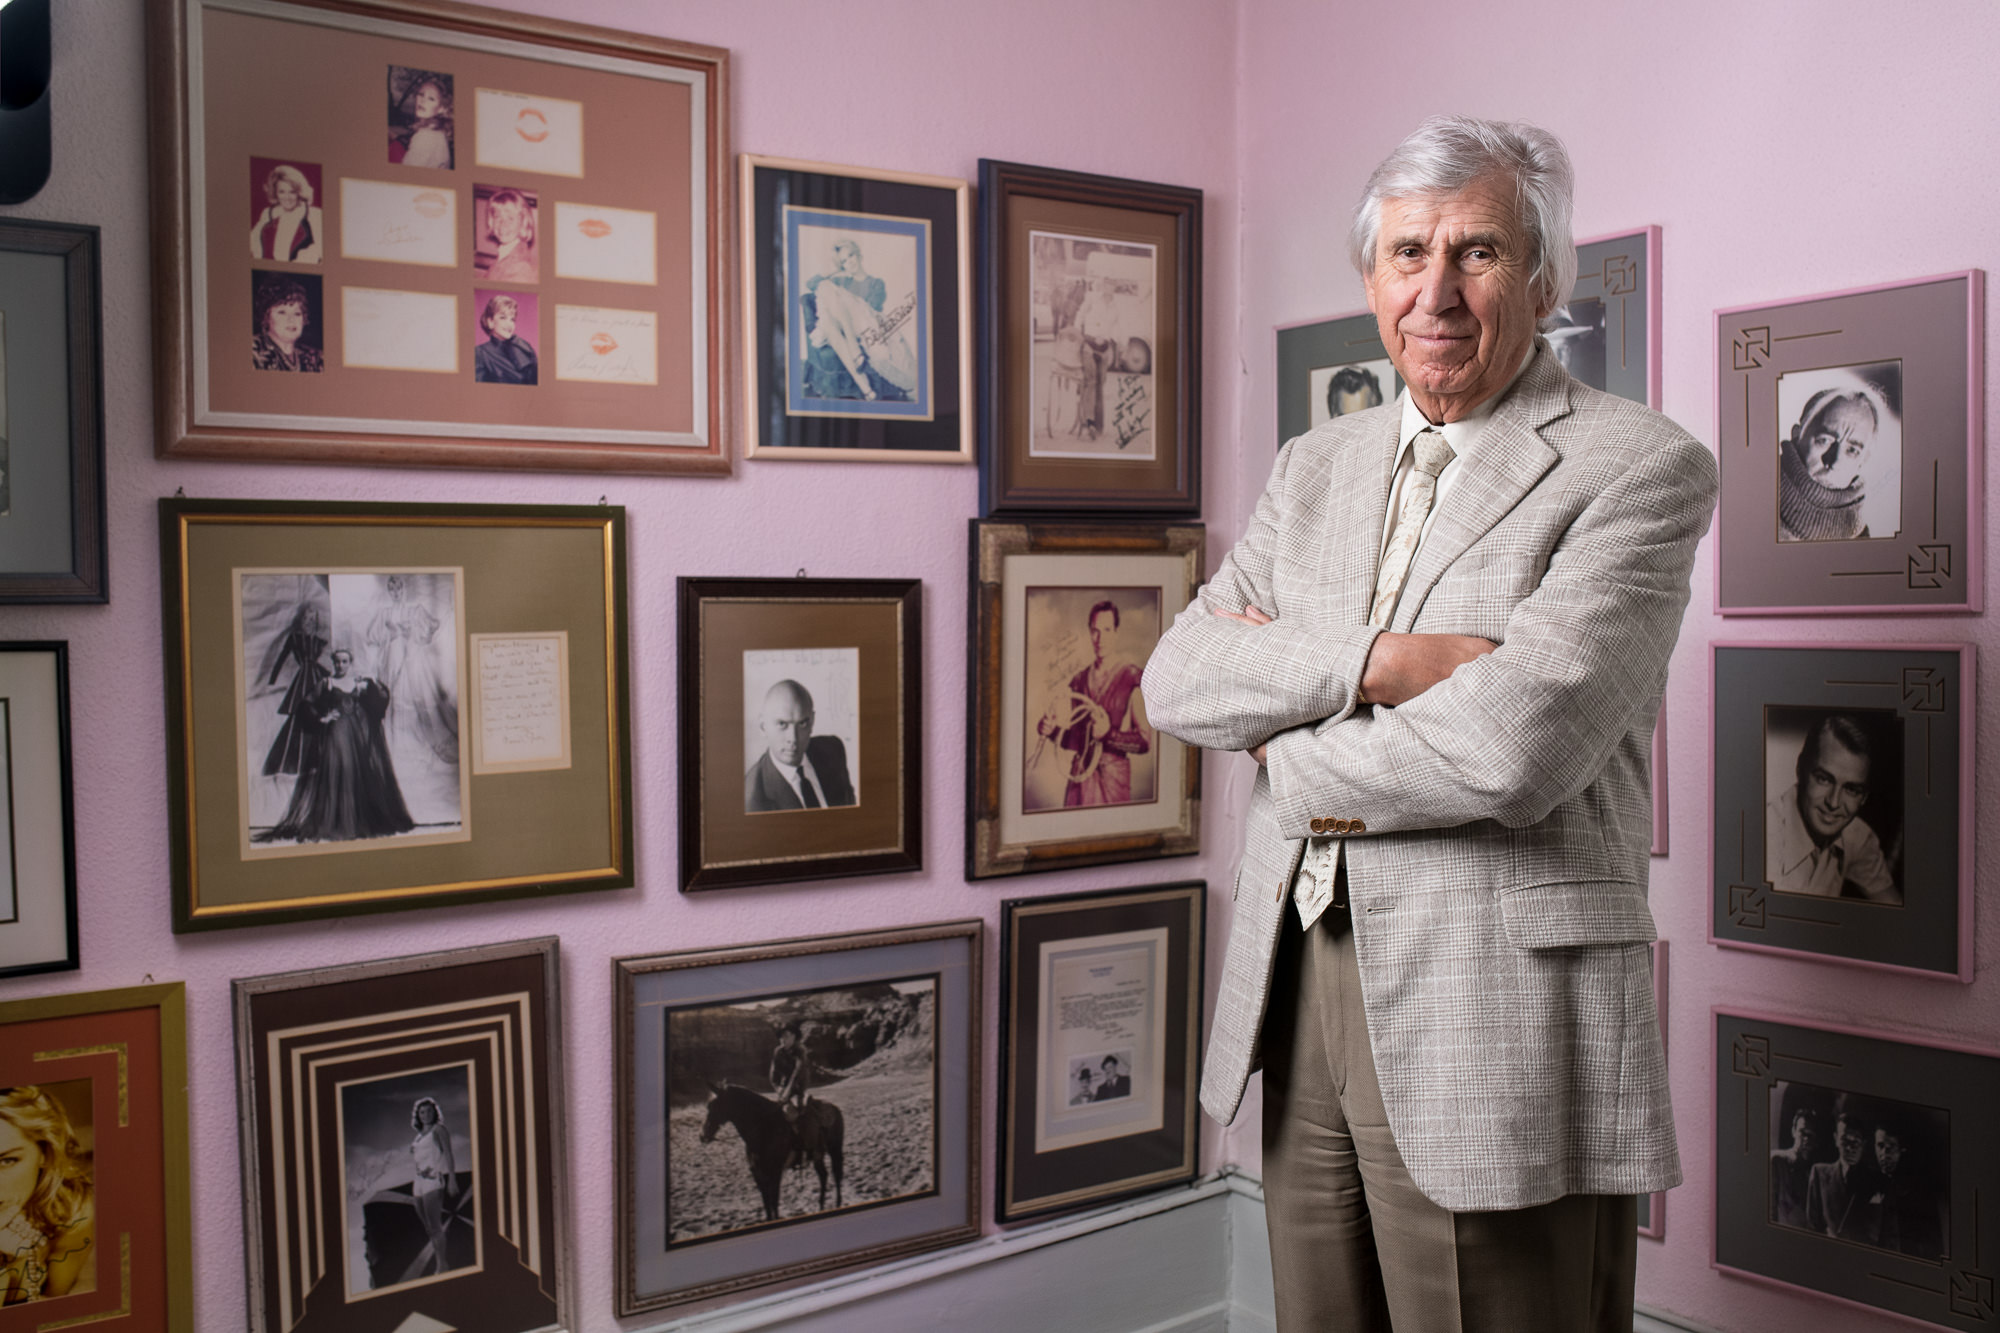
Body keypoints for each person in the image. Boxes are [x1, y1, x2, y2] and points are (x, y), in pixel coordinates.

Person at [1141, 116, 1716, 1332]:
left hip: (1495, 999)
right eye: (1407, 253)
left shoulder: (1636, 466)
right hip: (1297, 983)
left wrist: (1287, 746)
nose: (1435, 292)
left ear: (1545, 279)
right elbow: (1180, 677)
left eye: (1478, 252)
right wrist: (1389, 661)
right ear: (1370, 279)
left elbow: (1512, 749)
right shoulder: (1316, 467)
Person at [254, 649, 415, 844]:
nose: (341, 665)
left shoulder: (357, 682)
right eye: (337, 662)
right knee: (338, 770)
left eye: (345, 661)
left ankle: (355, 821)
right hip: (337, 732)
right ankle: (336, 822)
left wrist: (373, 681)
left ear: (350, 662)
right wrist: (323, 718)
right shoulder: (327, 683)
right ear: (333, 663)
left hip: (356, 734)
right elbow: (306, 704)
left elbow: (381, 698)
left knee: (355, 773)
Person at [1766, 714, 1898, 902]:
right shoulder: (1764, 836)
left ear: (1864, 797)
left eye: (1852, 789)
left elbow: (1895, 909)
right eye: (1824, 779)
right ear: (1800, 769)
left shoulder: (1856, 836)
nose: (1834, 803)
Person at [1034, 600, 1150, 808]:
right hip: (1080, 778)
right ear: (1089, 632)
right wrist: (1051, 731)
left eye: (1106, 630)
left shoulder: (1131, 678)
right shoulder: (1079, 680)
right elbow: (1075, 740)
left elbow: (1144, 742)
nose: (1100, 638)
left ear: (1116, 631)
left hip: (1112, 781)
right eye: (1095, 631)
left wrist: (1108, 734)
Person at [0, 1086, 94, 1306]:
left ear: (45, 1152)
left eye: (7, 1161)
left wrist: (18, 1261)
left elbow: (54, 1307)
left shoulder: (71, 1214)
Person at [801, 239, 915, 402]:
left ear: (858, 254)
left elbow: (872, 308)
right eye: (844, 262)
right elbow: (811, 283)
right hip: (841, 328)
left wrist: (845, 302)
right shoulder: (840, 281)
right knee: (825, 302)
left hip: (865, 324)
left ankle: (864, 385)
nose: (849, 262)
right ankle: (862, 378)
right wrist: (835, 269)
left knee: (826, 302)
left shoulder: (876, 283)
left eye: (850, 256)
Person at [365, 576, 459, 766]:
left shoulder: (414, 610)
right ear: (388, 592)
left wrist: (410, 632)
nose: (396, 593)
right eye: (392, 590)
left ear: (404, 589)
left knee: (412, 696)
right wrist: (390, 633)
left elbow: (431, 627)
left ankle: (415, 742)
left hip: (411, 658)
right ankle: (394, 744)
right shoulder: (385, 613)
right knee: (392, 697)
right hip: (391, 659)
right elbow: (372, 636)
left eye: (398, 589)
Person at [1778, 385, 1885, 542]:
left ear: (1864, 460)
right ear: (1797, 435)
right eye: (1824, 441)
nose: (1834, 462)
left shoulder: (1861, 538)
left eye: (1852, 450)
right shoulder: (1751, 496)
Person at [743, 680, 856, 812]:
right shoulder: (752, 798)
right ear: (763, 727)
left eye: (802, 723)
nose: (793, 738)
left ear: (812, 721)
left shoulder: (833, 750)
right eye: (782, 724)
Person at [258, 602, 329, 779]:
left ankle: (317, 763)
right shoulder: (294, 638)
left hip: (316, 679)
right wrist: (272, 681)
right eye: (306, 618)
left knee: (319, 716)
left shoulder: (320, 642)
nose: (309, 622)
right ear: (300, 619)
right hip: (303, 680)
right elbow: (281, 659)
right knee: (300, 715)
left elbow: (319, 664)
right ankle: (290, 763)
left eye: (312, 619)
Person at [1865, 1116, 1945, 1260]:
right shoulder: (1869, 1184)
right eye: (1880, 1146)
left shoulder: (1919, 1190)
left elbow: (1932, 1243)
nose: (1884, 1154)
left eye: (1891, 1147)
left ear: (1902, 1149)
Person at [1807, 1106, 1883, 1243]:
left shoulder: (1876, 1179)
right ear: (1836, 1139)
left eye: (1856, 1141)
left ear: (1864, 1144)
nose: (1850, 1148)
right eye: (1845, 1140)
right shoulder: (1819, 1173)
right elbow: (1813, 1225)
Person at [408, 1097, 457, 1277]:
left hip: (433, 1181)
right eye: (422, 1112)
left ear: (434, 1112)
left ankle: (442, 1264)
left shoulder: (439, 1129)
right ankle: (440, 1260)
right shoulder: (418, 1136)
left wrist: (452, 1178)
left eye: (429, 1111)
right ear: (418, 1116)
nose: (426, 1115)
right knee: (428, 1228)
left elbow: (449, 1154)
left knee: (435, 1227)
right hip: (418, 1182)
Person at [248, 163, 322, 263]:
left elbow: (323, 255)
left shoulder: (314, 215)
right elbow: (251, 246)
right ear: (275, 193)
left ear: (299, 192)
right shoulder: (268, 214)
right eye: (282, 192)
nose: (287, 197)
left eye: (292, 192)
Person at [1769, 1104, 1825, 1231]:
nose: (1806, 1138)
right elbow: (1769, 1210)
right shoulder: (1776, 1161)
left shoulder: (1816, 1171)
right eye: (1802, 1132)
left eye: (1811, 1135)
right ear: (1793, 1131)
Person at [250, 276, 323, 373]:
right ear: (266, 317)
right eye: (282, 312)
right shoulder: (252, 351)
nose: (291, 320)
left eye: (297, 313)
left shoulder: (316, 358)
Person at [473, 294, 538, 387]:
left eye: (512, 319)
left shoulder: (525, 348)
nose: (509, 324)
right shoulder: (480, 353)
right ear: (490, 322)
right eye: (503, 318)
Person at [395, 75, 453, 170]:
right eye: (421, 94)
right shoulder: (436, 131)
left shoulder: (425, 136)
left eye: (431, 99)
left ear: (441, 108)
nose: (422, 101)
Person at [479, 189, 537, 283]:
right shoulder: (505, 253)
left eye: (510, 218)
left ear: (523, 223)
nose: (502, 224)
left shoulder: (521, 268)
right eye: (497, 217)